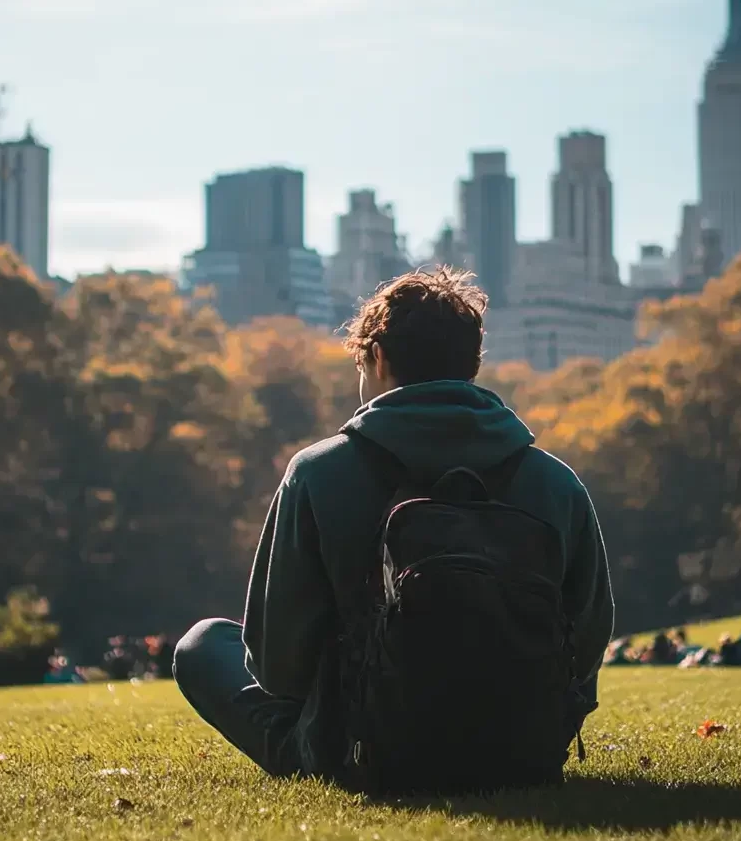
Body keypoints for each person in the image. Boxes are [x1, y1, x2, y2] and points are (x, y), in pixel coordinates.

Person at [173, 268, 614, 791]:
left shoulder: (318, 472)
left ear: (378, 357)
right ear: (472, 362)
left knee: (202, 644)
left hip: (363, 752)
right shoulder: (555, 480)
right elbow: (587, 644)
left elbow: (278, 669)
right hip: (521, 747)